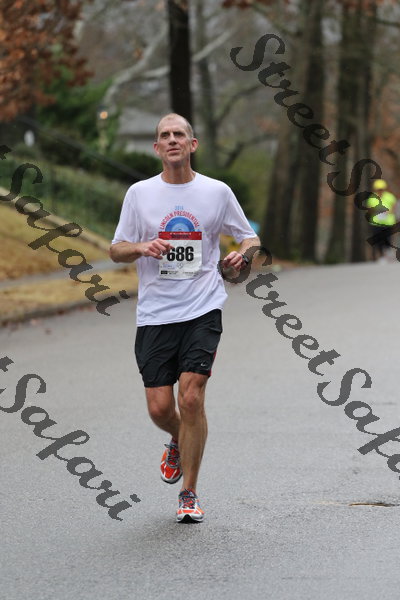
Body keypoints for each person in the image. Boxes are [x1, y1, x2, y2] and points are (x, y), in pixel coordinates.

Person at [110, 113, 260, 523]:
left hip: (203, 307)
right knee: (160, 409)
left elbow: (250, 237)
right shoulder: (140, 194)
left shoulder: (216, 192)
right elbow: (116, 249)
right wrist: (141, 247)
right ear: (157, 148)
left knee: (191, 398)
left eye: (179, 134)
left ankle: (188, 493)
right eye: (165, 135)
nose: (172, 139)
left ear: (192, 145)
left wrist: (242, 256)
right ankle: (180, 438)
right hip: (156, 313)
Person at [366, 179, 398, 261]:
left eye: (381, 189)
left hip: (388, 222)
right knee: (378, 239)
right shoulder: (372, 198)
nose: (380, 191)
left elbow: (394, 207)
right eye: (378, 189)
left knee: (387, 238)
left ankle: (388, 251)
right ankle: (381, 256)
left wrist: (389, 212)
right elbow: (369, 209)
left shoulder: (390, 196)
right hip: (376, 223)